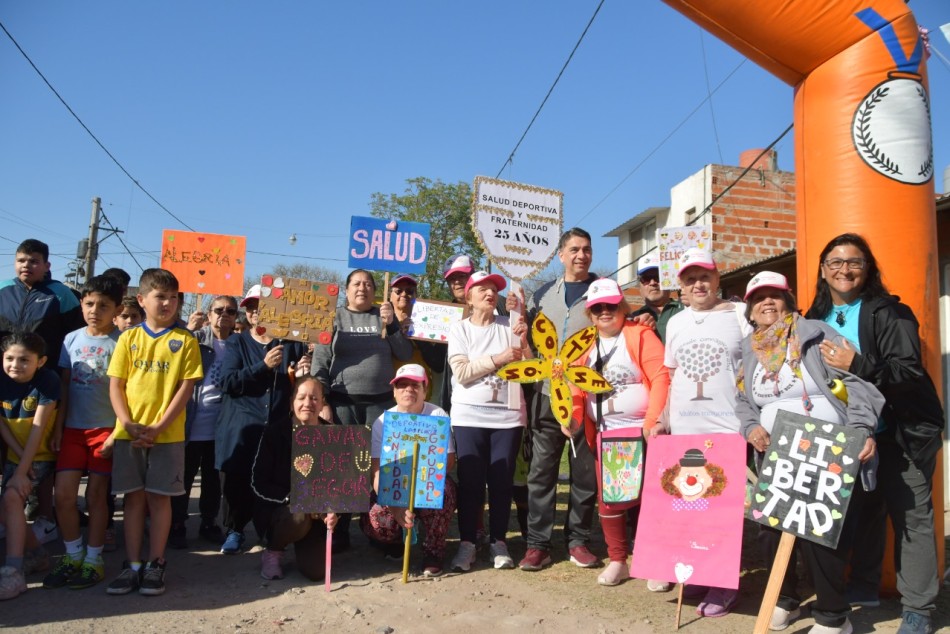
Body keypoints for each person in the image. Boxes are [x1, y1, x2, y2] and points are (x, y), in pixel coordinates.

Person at [805, 234, 943, 634]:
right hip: (843, 436)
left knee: (911, 516)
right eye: (835, 262)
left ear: (868, 269)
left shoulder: (889, 313)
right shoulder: (812, 315)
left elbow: (908, 372)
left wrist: (858, 363)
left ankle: (919, 607)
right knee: (858, 514)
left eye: (854, 263)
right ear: (822, 269)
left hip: (900, 432)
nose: (844, 270)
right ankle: (863, 586)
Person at [735, 271, 883, 634]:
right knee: (770, 530)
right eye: (759, 298)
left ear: (789, 300)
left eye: (776, 295)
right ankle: (783, 600)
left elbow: (857, 384)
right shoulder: (747, 352)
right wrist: (751, 428)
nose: (768, 302)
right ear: (750, 311)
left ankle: (834, 617)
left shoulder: (816, 335)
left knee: (819, 528)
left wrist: (863, 428)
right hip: (778, 451)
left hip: (826, 447)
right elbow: (742, 402)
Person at [662, 248, 752, 616]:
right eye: (689, 279)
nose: (698, 284)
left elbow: (753, 366)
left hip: (728, 427)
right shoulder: (675, 323)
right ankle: (699, 570)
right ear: (681, 286)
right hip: (685, 428)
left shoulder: (740, 315)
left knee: (724, 510)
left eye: (704, 277)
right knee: (692, 507)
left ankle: (724, 584)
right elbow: (671, 375)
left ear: (717, 280)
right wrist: (663, 420)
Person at [105, 268, 204, 596]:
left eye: (174, 297)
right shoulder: (128, 338)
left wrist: (159, 427)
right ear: (141, 299)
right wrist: (128, 423)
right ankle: (132, 564)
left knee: (160, 501)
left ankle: (155, 563)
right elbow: (116, 385)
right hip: (128, 435)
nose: (167, 303)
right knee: (133, 500)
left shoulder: (186, 341)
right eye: (160, 296)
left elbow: (185, 389)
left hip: (168, 436)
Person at [568, 279, 670, 586]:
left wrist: (652, 422)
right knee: (611, 500)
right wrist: (572, 418)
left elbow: (661, 376)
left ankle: (653, 560)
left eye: (610, 305)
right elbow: (573, 386)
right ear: (589, 313)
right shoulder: (583, 343)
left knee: (650, 498)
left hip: (641, 431)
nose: (604, 311)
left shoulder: (640, 334)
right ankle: (618, 559)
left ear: (622, 306)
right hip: (606, 433)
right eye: (597, 307)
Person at [311, 269, 413, 548]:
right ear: (346, 290)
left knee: (382, 468)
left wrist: (392, 325)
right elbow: (320, 363)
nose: (363, 288)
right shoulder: (334, 317)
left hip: (380, 403)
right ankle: (339, 533)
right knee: (344, 470)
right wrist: (324, 402)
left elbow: (405, 354)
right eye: (357, 283)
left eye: (368, 284)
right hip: (343, 402)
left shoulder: (383, 315)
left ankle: (383, 532)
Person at [520, 228, 601, 571]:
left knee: (584, 472)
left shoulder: (603, 294)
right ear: (561, 256)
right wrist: (517, 315)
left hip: (585, 396)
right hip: (544, 394)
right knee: (541, 472)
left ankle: (578, 541)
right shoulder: (540, 296)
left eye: (586, 249)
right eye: (574, 250)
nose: (581, 255)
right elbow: (527, 345)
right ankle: (538, 544)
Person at [216, 285, 310, 555]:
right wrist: (263, 366)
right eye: (251, 308)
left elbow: (298, 382)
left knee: (271, 480)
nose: (256, 313)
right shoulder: (237, 342)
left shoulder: (289, 344)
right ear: (247, 314)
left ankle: (268, 534)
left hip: (276, 427)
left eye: (262, 307)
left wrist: (303, 371)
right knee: (237, 481)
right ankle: (234, 530)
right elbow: (228, 382)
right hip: (242, 424)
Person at [44, 276, 123, 591]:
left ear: (117, 308)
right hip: (73, 431)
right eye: (89, 304)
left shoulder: (123, 343)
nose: (95, 310)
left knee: (96, 497)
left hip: (105, 430)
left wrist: (117, 433)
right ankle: (72, 555)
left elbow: (127, 393)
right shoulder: (70, 339)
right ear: (82, 304)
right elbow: (64, 385)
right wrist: (59, 427)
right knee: (63, 496)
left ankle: (93, 559)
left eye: (104, 305)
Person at [0, 239, 83, 539]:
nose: (27, 265)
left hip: (45, 383)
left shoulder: (62, 295)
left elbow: (73, 340)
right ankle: (10, 514)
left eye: (34, 261)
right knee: (8, 453)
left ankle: (44, 519)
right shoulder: (2, 290)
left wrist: (60, 378)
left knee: (44, 456)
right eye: (22, 260)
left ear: (47, 265)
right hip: (6, 382)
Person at [448, 271, 529, 572]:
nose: (490, 293)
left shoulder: (510, 325)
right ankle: (468, 542)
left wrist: (523, 336)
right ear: (468, 297)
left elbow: (529, 366)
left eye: (494, 289)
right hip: (469, 415)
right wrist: (498, 359)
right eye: (482, 289)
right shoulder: (460, 330)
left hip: (508, 418)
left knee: (501, 482)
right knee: (470, 482)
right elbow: (462, 372)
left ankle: (499, 541)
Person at [360, 364, 457, 577]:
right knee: (377, 519)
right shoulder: (383, 421)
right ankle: (394, 542)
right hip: (394, 484)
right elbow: (376, 470)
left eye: (414, 385)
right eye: (402, 385)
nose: (408, 390)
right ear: (394, 392)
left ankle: (433, 552)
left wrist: (423, 485)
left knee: (445, 492)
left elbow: (449, 461)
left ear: (425, 389)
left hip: (427, 480)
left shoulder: (437, 414)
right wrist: (393, 503)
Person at [251, 376, 337, 581]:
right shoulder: (274, 433)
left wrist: (334, 509)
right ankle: (273, 550)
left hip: (318, 517)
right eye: (302, 398)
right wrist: (295, 498)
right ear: (292, 402)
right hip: (283, 511)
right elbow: (257, 482)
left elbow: (343, 483)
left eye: (314, 398)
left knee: (316, 572)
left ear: (323, 402)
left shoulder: (333, 435)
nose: (308, 403)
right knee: (298, 516)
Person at [168, 295, 236, 548]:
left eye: (230, 311)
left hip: (220, 425)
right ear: (209, 314)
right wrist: (188, 329)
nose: (224, 315)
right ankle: (177, 522)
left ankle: (209, 522)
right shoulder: (194, 339)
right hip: (190, 419)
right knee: (183, 477)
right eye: (218, 310)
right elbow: (169, 351)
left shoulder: (238, 344)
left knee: (212, 479)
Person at [0, 332, 59, 600]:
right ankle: (36, 555)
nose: (15, 365)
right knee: (8, 508)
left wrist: (24, 471)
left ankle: (14, 572)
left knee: (12, 499)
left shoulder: (48, 382)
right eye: (9, 358)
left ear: (41, 361)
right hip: (17, 454)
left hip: (41, 456)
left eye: (24, 359)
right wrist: (19, 458)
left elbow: (38, 429)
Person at [388, 275, 445, 401]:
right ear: (390, 296)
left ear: (415, 296)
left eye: (410, 291)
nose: (404, 294)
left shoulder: (430, 324)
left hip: (421, 395)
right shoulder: (382, 322)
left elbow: (438, 364)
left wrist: (416, 334)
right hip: (390, 395)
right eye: (398, 291)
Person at [629, 254, 683, 344]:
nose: (653, 282)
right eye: (646, 278)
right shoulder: (633, 319)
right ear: (639, 286)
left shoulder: (685, 309)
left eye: (658, 277)